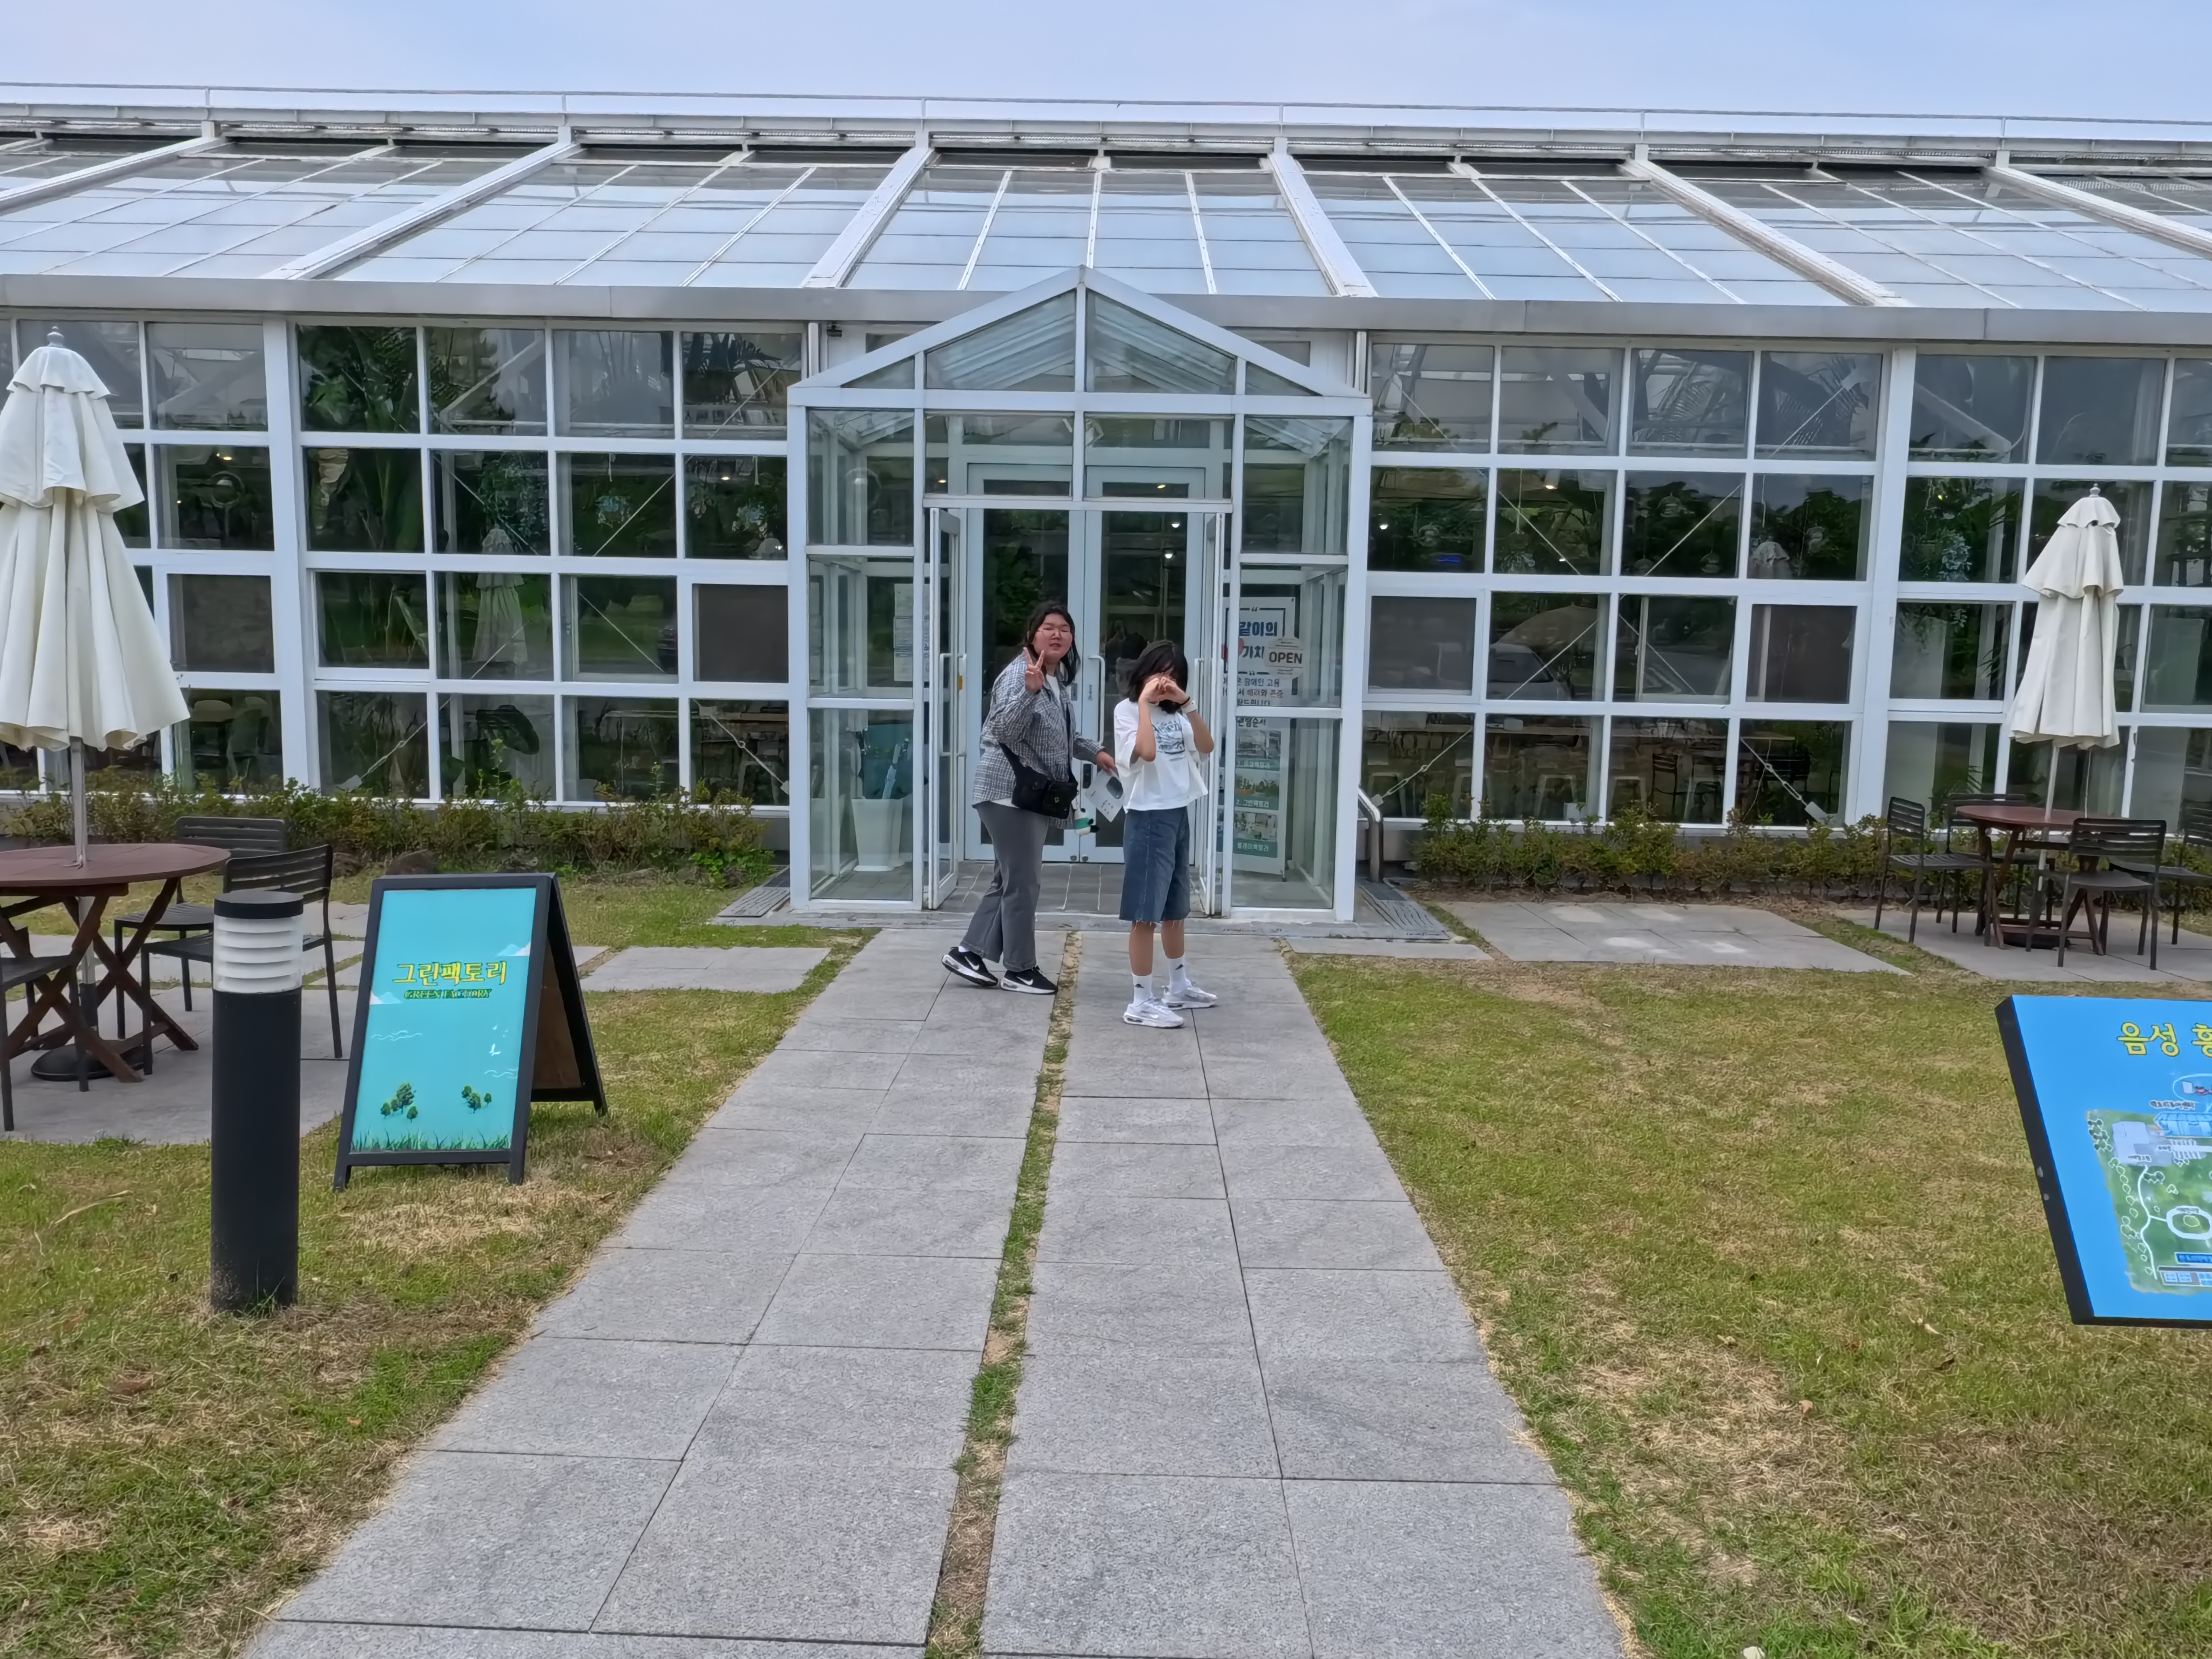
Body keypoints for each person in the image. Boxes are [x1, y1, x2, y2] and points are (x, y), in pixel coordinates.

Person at [941, 601, 1116, 995]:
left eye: (1065, 630)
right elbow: (1003, 729)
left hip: (1024, 795)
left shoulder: (1053, 680)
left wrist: (1096, 753)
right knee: (1023, 884)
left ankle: (969, 953)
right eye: (1048, 628)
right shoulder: (1022, 675)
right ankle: (1020, 970)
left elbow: (1063, 737)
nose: (1057, 635)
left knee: (1008, 879)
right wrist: (1029, 693)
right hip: (1009, 793)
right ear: (1032, 635)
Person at [1112, 640, 1216, 1028]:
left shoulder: (1177, 713)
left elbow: (1207, 747)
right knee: (1145, 913)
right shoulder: (1127, 711)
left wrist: (1187, 703)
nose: (1165, 683)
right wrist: (1144, 704)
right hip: (1148, 816)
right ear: (1143, 672)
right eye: (1159, 673)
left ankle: (1179, 985)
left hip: (1177, 811)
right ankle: (1141, 1000)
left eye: (1173, 676)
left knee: (1175, 909)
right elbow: (1147, 752)